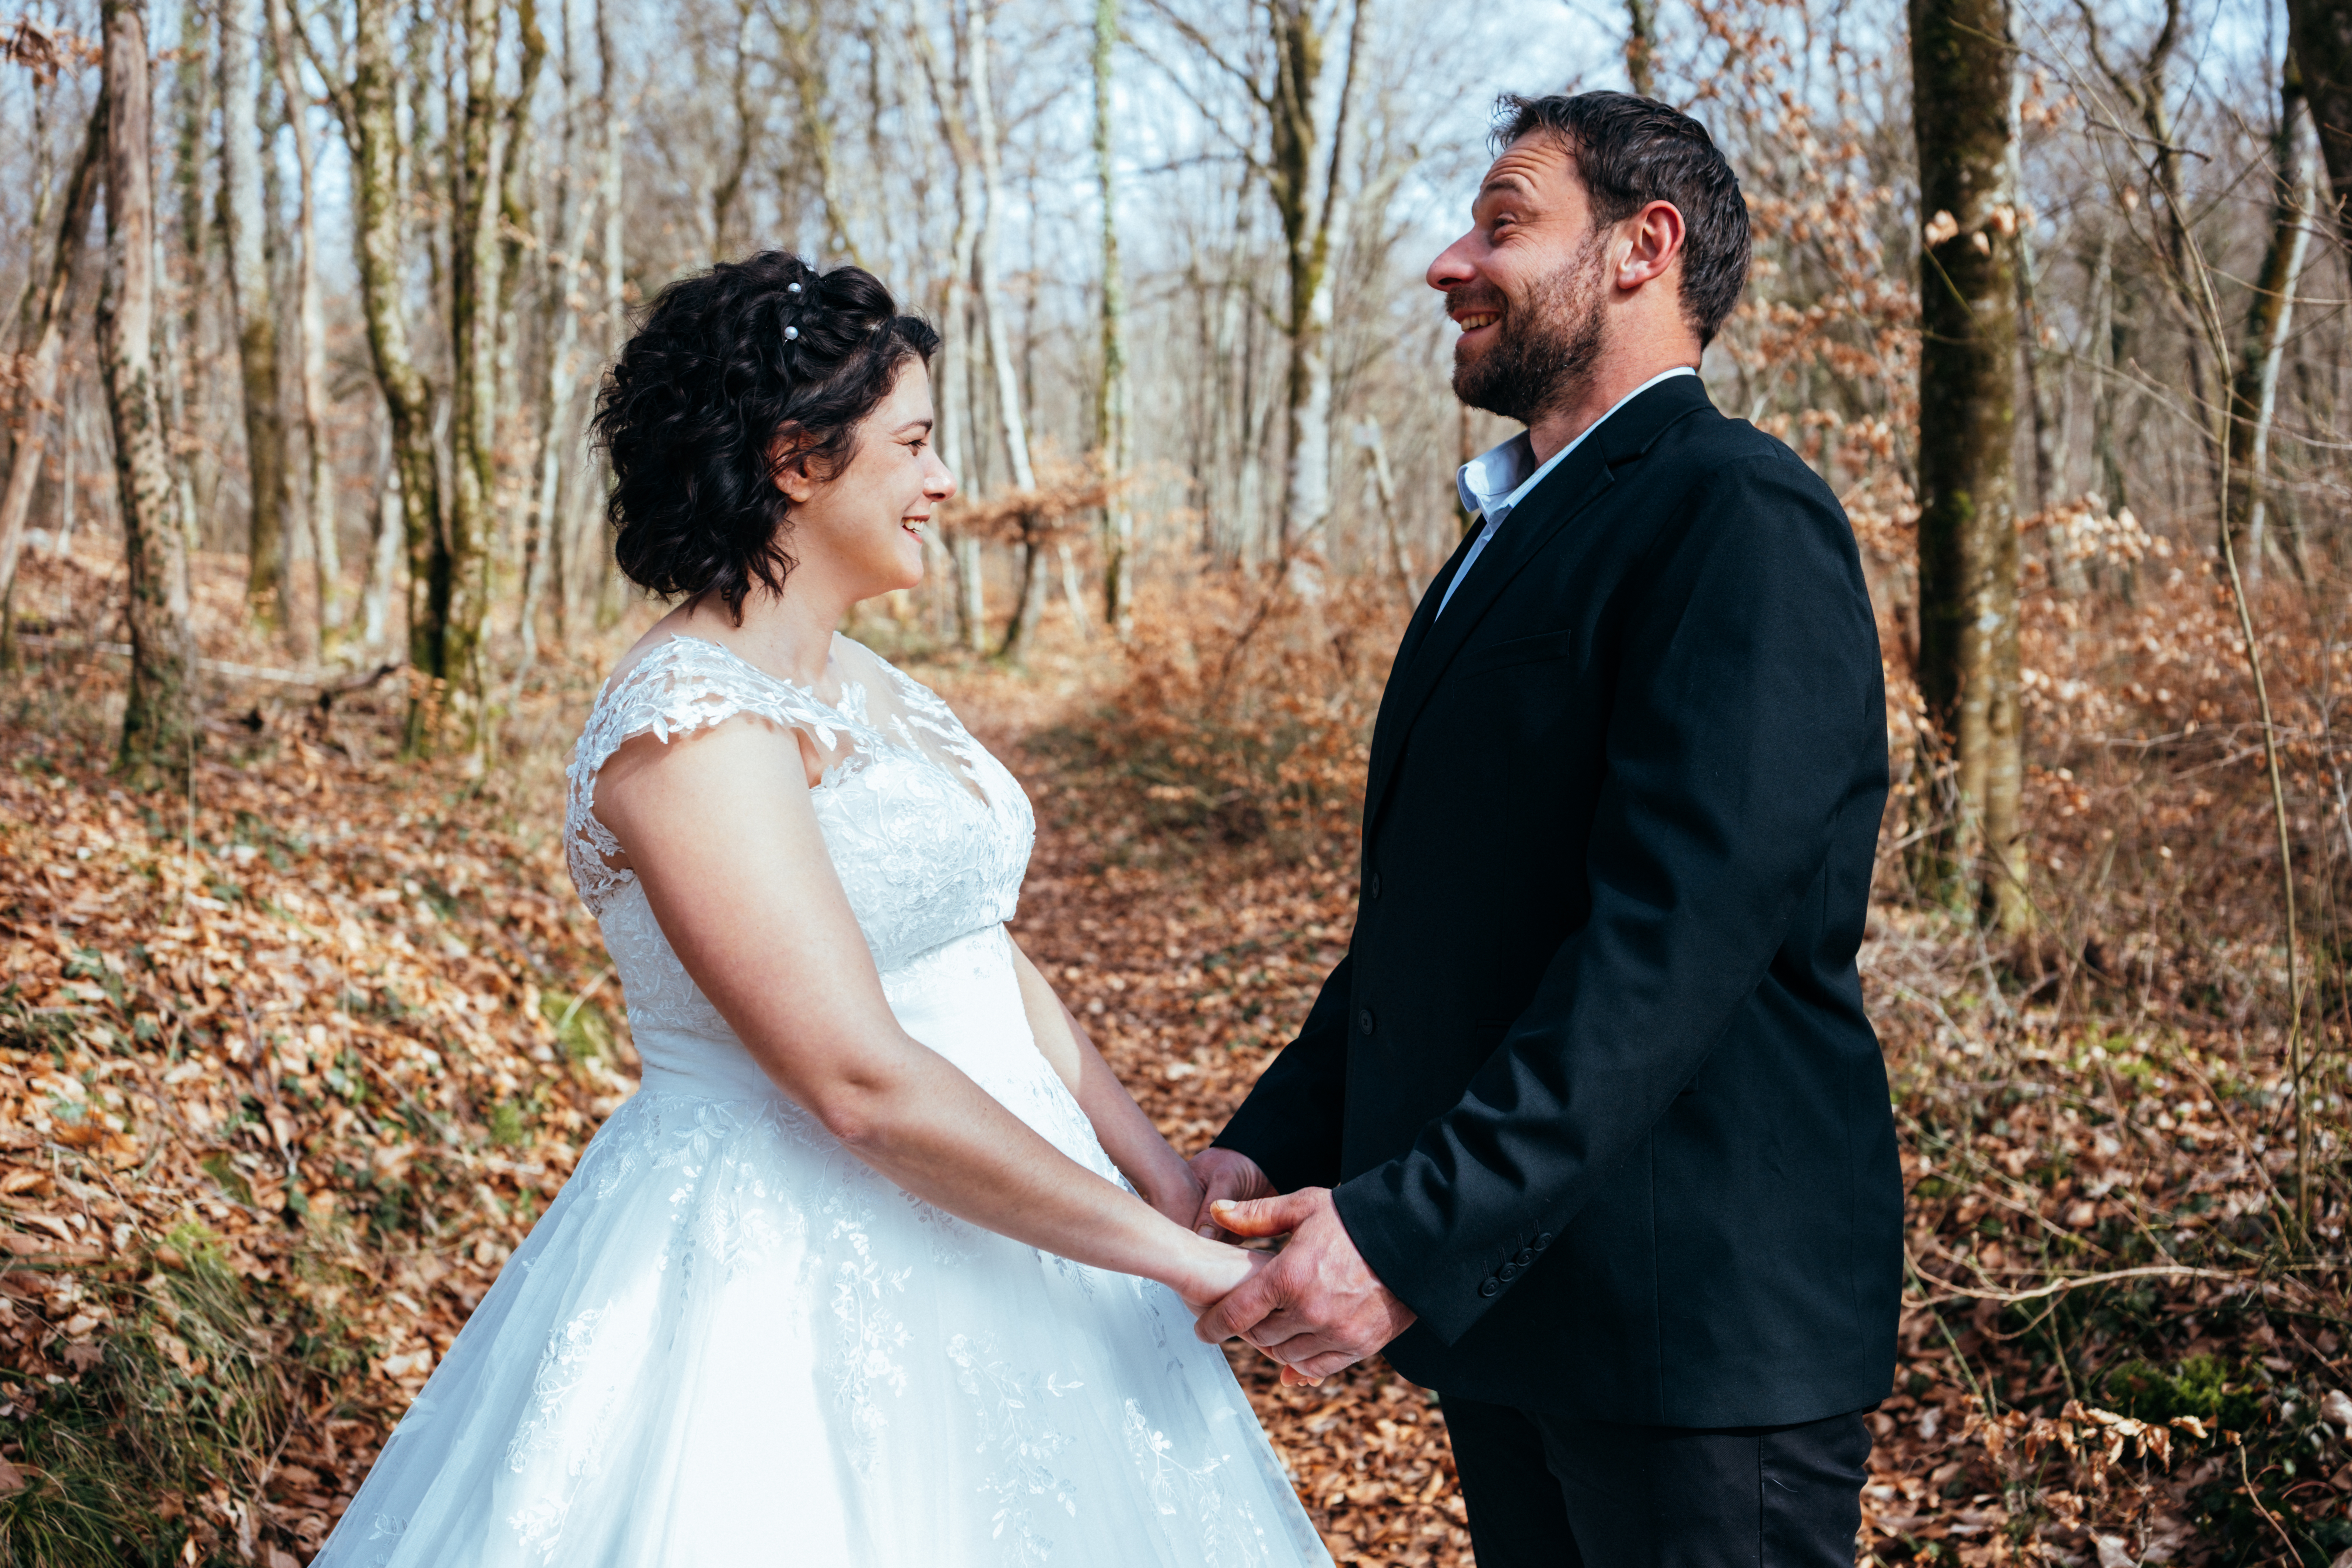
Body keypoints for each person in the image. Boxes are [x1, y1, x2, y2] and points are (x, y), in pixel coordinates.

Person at [310, 254, 1330, 1568]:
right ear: (798, 460)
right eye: (912, 443)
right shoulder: (688, 721)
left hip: (1018, 1225)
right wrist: (1179, 1262)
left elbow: (969, 940)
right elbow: (857, 1079)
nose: (946, 479)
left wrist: (1158, 1168)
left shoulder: (869, 681)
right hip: (778, 1276)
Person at [1187, 91, 1903, 1567]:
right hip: (1524, 1326)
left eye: (1504, 222)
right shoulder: (1500, 544)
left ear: (1647, 247)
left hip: (1690, 1336)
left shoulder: (1738, 515)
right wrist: (1266, 1150)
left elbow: (1670, 951)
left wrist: (1404, 1230)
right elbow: (1439, 931)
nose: (1453, 261)